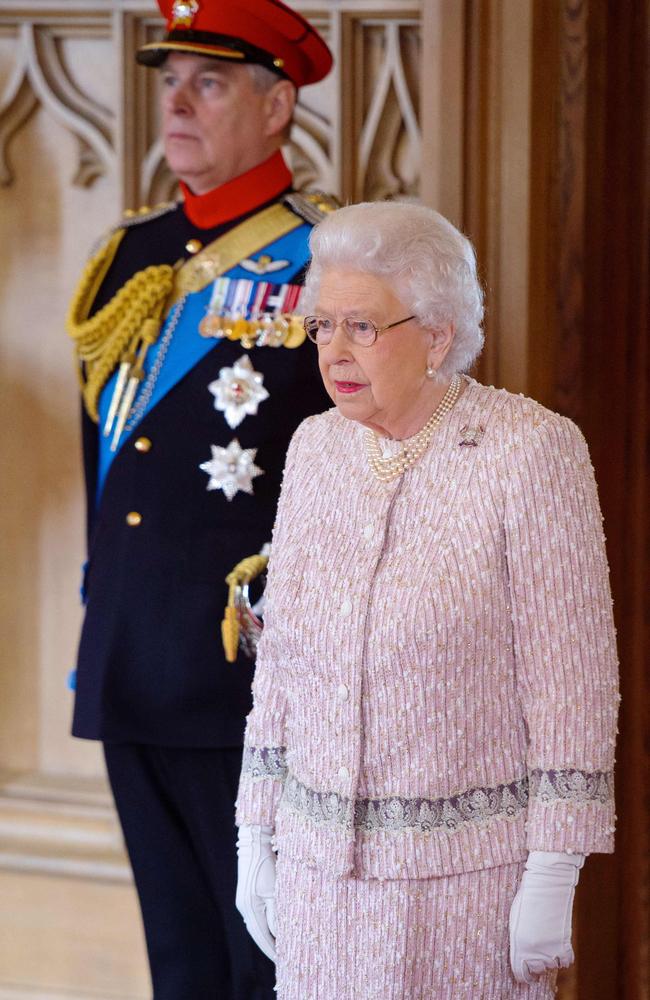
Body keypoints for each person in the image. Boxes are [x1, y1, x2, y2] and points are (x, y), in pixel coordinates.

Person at [234, 201, 620, 999]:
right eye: (321, 327)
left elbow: (572, 681)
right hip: (317, 881)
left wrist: (555, 867)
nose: (334, 352)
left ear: (438, 335)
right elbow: (282, 667)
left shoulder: (530, 451)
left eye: (362, 328)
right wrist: (254, 831)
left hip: (466, 888)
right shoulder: (315, 449)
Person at [65, 2, 333, 997]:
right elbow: (103, 454)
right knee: (177, 958)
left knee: (262, 957)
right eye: (169, 78)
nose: (174, 100)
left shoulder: (327, 261)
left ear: (275, 107)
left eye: (208, 82)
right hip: (132, 651)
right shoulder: (131, 258)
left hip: (248, 674)